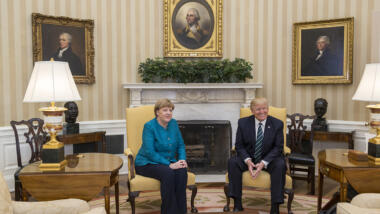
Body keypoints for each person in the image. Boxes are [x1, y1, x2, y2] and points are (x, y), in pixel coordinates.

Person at [227, 97, 286, 214]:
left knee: (280, 164)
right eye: (258, 109)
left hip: (269, 159)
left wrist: (263, 163)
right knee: (232, 162)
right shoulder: (243, 123)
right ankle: (237, 203)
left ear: (268, 109)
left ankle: (275, 206)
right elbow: (239, 145)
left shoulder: (277, 124)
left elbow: (278, 147)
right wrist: (248, 161)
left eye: (264, 108)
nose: (262, 112)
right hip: (250, 157)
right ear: (252, 110)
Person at [134, 98, 188, 214]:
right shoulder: (149, 126)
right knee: (168, 172)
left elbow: (181, 145)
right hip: (146, 163)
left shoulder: (173, 123)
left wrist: (182, 159)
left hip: (168, 162)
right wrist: (170, 165)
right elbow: (150, 152)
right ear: (157, 112)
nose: (169, 113)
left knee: (182, 170)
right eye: (165, 110)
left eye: (170, 110)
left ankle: (181, 211)